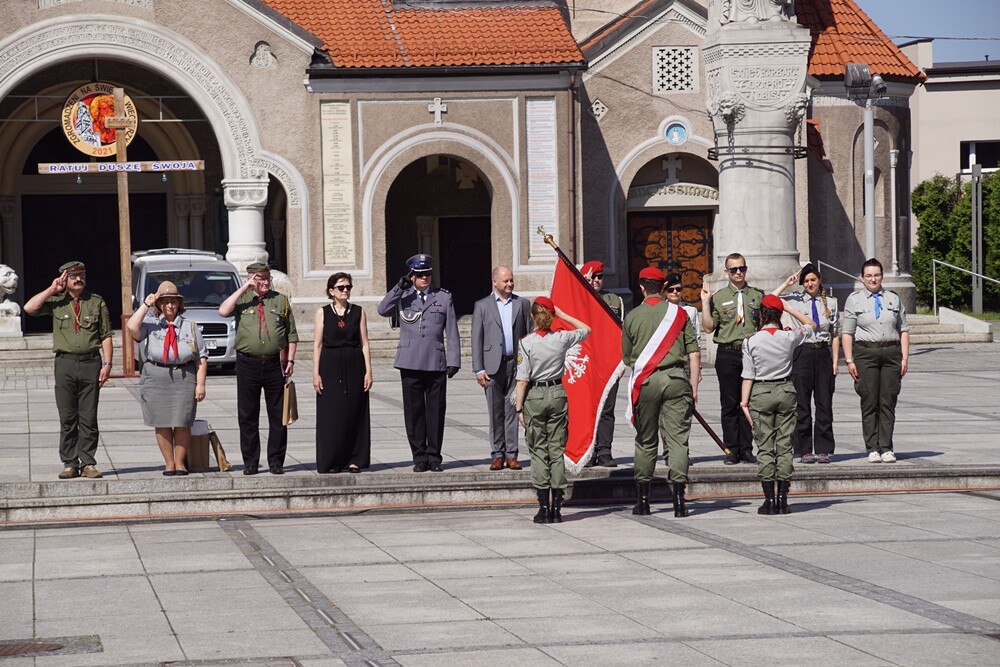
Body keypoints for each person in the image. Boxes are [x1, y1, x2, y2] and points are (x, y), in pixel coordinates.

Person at [622, 267, 701, 517]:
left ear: (642, 288)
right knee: (677, 441)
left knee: (646, 441)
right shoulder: (679, 313)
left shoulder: (632, 317)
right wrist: (694, 387)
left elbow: (627, 357)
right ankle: (679, 502)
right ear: (664, 287)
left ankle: (643, 501)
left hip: (647, 382)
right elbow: (694, 353)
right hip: (677, 379)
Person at [24, 261, 113, 479]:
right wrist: (52, 289)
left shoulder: (96, 302)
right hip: (65, 363)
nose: (79, 279)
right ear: (65, 279)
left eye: (82, 275)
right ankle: (70, 463)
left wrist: (108, 364)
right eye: (73, 276)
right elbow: (29, 308)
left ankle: (88, 463)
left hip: (91, 363)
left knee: (88, 416)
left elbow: (106, 335)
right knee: (67, 417)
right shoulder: (56, 301)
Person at [377, 254, 461, 472]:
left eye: (428, 274)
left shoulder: (443, 297)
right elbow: (382, 309)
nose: (425, 278)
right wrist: (398, 287)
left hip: (435, 361)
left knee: (436, 412)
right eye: (420, 274)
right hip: (410, 361)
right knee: (414, 413)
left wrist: (454, 360)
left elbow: (452, 330)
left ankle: (434, 457)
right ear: (412, 276)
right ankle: (419, 457)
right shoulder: (403, 295)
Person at [514, 297, 590, 523]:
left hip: (535, 395)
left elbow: (522, 380)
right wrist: (563, 315)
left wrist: (519, 409)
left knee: (538, 450)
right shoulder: (561, 338)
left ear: (532, 317)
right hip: (557, 393)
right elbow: (586, 329)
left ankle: (543, 508)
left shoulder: (526, 343)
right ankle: (557, 508)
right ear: (551, 317)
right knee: (556, 451)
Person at [218, 262, 298, 475]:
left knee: (278, 415)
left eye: (267, 278)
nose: (265, 282)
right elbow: (223, 311)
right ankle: (251, 462)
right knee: (248, 415)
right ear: (252, 279)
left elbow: (291, 334)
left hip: (274, 364)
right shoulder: (242, 299)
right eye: (260, 278)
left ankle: (276, 461)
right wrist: (245, 287)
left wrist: (290, 360)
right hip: (248, 363)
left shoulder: (280, 300)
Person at [740, 294, 816, 514]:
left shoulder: (751, 341)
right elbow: (811, 325)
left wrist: (744, 403)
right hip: (785, 390)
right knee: (784, 447)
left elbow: (748, 375)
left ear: (762, 314)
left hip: (761, 391)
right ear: (779, 314)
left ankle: (768, 500)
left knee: (765, 447)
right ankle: (783, 499)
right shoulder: (789, 337)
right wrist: (790, 308)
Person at [127, 281, 208, 475]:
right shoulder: (150, 325)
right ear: (159, 304)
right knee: (162, 422)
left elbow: (201, 358)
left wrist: (201, 385)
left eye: (174, 301)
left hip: (184, 376)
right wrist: (146, 304)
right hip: (156, 377)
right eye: (165, 302)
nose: (170, 305)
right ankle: (169, 463)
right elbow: (131, 327)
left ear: (179, 304)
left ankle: (180, 463)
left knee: (182, 422)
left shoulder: (190, 326)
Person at [841, 258, 910, 463]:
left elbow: (903, 330)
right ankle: (872, 447)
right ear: (862, 278)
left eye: (877, 275)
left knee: (888, 401)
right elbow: (847, 333)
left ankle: (886, 447)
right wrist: (849, 360)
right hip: (866, 353)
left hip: (891, 353)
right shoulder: (854, 300)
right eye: (869, 276)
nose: (873, 279)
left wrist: (905, 357)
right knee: (869, 400)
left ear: (882, 276)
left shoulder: (893, 298)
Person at [770, 262, 840, 464]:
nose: (810, 284)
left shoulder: (831, 302)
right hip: (802, 353)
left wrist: (836, 361)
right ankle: (805, 449)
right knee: (802, 404)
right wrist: (787, 283)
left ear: (819, 280)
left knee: (824, 403)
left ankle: (824, 449)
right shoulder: (793, 299)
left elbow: (835, 334)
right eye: (806, 281)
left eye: (813, 280)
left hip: (822, 353)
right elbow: (770, 300)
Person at [701, 252, 763, 465]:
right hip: (728, 353)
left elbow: (763, 324)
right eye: (734, 269)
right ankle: (731, 450)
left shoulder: (756, 295)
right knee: (729, 404)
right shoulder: (718, 297)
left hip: (750, 353)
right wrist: (705, 303)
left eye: (742, 268)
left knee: (747, 402)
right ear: (726, 272)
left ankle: (746, 449)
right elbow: (708, 327)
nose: (738, 273)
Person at [471, 266, 531, 471]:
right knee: (495, 412)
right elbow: (476, 339)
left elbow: (528, 336)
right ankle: (497, 454)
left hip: (515, 365)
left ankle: (512, 455)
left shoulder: (522, 304)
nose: (510, 284)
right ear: (494, 281)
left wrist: (528, 366)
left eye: (511, 280)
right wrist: (478, 369)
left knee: (513, 409)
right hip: (492, 366)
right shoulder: (482, 306)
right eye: (505, 281)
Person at [313, 272, 372, 474]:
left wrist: (368, 371)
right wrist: (315, 373)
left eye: (348, 287)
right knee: (332, 414)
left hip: (354, 365)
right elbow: (317, 344)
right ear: (331, 291)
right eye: (341, 287)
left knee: (354, 411)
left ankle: (355, 459)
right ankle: (332, 460)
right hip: (329, 366)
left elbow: (364, 343)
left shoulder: (358, 312)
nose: (345, 290)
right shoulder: (322, 313)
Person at [581, 260, 624, 467]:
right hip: (586, 364)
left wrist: (622, 362)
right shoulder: (580, 298)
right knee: (588, 410)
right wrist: (585, 288)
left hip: (608, 363)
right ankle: (588, 451)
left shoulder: (614, 300)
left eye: (600, 277)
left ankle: (605, 451)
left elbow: (621, 333)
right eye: (593, 277)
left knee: (607, 410)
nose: (597, 280)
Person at [659, 272, 703, 466]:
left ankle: (682, 450)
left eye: (679, 289)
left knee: (684, 410)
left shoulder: (690, 311)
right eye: (671, 290)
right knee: (664, 412)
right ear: (664, 291)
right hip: (664, 363)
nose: (675, 293)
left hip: (685, 363)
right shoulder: (659, 311)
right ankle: (669, 451)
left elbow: (696, 340)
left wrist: (697, 369)